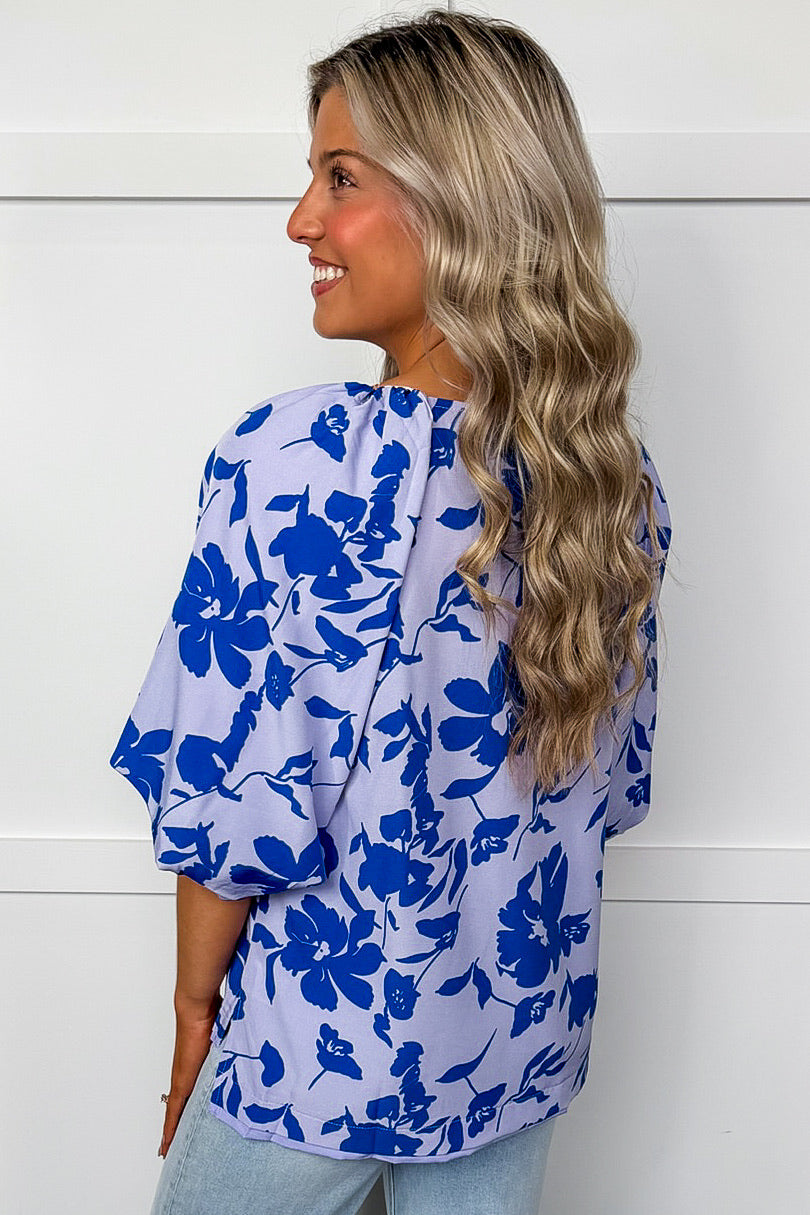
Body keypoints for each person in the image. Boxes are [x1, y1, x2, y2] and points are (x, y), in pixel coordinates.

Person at [110, 9, 673, 1214]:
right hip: (515, 1044)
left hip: (317, 1050)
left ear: (460, 204)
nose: (301, 221)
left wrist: (195, 1007)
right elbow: (610, 793)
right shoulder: (609, 484)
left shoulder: (294, 467)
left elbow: (234, 805)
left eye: (341, 178)